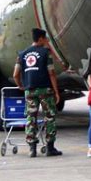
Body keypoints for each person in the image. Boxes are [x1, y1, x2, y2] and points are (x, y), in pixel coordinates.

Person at [14, 29, 62, 157]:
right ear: (40, 39)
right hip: (45, 90)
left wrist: (20, 85)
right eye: (45, 39)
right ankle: (50, 148)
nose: (46, 41)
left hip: (29, 91)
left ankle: (32, 149)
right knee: (50, 117)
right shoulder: (46, 53)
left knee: (31, 118)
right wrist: (56, 92)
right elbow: (51, 73)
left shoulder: (22, 54)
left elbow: (15, 74)